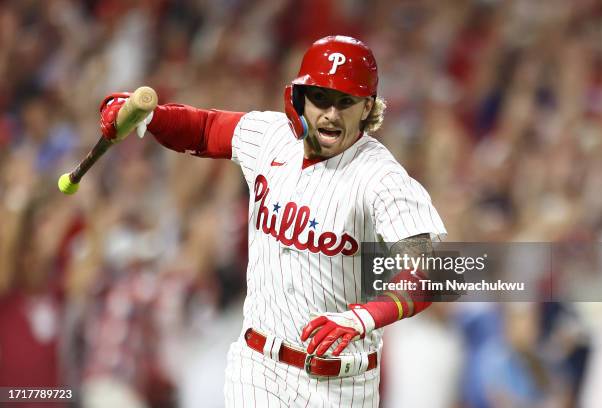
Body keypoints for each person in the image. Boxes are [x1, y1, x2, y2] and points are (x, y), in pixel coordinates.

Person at [99, 35, 446, 407]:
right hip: (258, 366)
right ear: (299, 97)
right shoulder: (271, 137)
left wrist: (364, 317)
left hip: (340, 383)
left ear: (367, 109)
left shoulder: (381, 177)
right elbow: (204, 129)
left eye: (345, 101)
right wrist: (149, 116)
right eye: (320, 97)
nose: (331, 113)